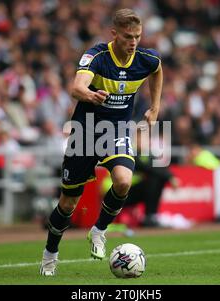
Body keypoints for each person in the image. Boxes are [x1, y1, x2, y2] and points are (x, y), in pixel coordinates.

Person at [40, 8, 163, 276]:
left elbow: (157, 70)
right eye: (128, 37)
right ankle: (50, 254)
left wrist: (155, 107)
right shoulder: (96, 56)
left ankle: (99, 231)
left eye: (138, 37)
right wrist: (89, 94)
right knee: (68, 204)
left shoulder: (145, 58)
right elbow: (75, 87)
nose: (133, 43)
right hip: (85, 134)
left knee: (123, 181)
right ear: (114, 34)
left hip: (116, 130)